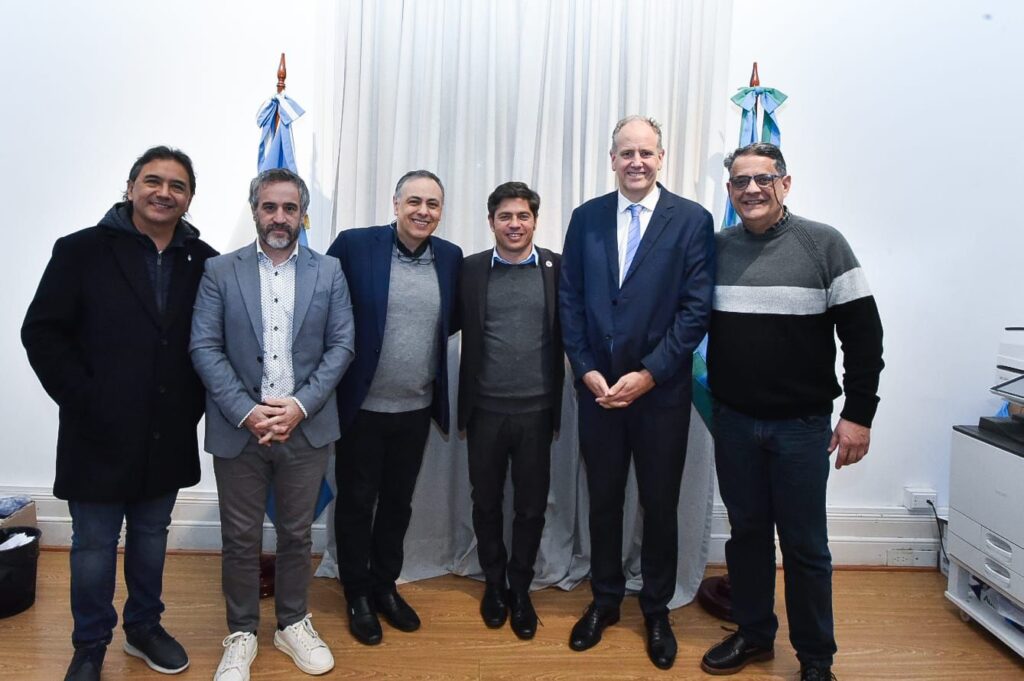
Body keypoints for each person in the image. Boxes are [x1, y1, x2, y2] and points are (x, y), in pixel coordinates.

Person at [22, 146, 218, 681]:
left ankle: (144, 627)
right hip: (96, 432)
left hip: (167, 433)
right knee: (93, 545)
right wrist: (84, 398)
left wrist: (192, 405)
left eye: (177, 186)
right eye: (153, 181)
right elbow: (42, 332)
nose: (163, 193)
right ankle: (89, 646)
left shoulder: (205, 261)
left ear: (189, 198)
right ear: (130, 187)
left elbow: (214, 343)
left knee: (152, 537)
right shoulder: (80, 250)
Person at [701, 143, 883, 681]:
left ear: (785, 183)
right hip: (733, 422)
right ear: (730, 191)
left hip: (801, 429)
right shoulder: (716, 249)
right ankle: (754, 634)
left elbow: (864, 338)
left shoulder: (823, 244)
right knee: (747, 535)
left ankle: (816, 658)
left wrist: (859, 415)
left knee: (805, 546)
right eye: (740, 182)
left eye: (763, 179)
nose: (752, 189)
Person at [559, 116, 715, 670]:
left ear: (661, 157)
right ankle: (604, 600)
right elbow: (569, 300)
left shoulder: (692, 220)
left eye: (646, 152)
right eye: (626, 153)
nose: (636, 162)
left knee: (659, 504)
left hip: (661, 394)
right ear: (612, 159)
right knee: (603, 500)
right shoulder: (586, 218)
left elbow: (695, 310)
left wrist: (649, 373)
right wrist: (584, 368)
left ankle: (656, 608)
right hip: (598, 392)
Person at [190, 168, 354, 680]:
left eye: (289, 208)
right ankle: (241, 633)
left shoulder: (330, 271)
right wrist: (247, 410)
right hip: (239, 427)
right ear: (255, 211)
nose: (279, 217)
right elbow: (204, 346)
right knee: (240, 538)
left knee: (297, 535)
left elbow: (342, 346)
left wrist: (299, 405)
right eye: (269, 207)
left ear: (302, 214)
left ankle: (292, 623)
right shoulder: (220, 271)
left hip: (305, 427)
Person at [326, 170, 462, 646]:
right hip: (361, 408)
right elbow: (325, 306)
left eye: (433, 204)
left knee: (398, 504)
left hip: (415, 409)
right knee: (357, 502)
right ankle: (356, 593)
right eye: (414, 201)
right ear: (396, 203)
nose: (423, 211)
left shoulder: (450, 257)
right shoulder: (355, 245)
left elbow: (450, 320)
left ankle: (385, 585)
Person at [456, 181, 564, 639]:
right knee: (485, 502)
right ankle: (494, 584)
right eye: (505, 216)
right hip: (484, 411)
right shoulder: (470, 269)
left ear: (535, 221)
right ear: (491, 222)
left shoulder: (558, 268)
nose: (514, 224)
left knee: (531, 507)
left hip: (537, 413)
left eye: (523, 216)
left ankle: (520, 588)